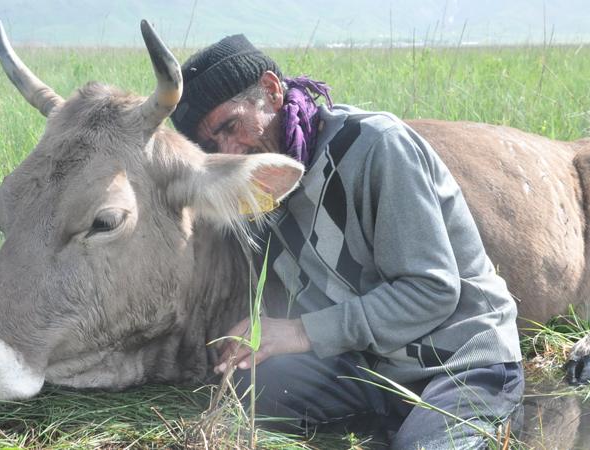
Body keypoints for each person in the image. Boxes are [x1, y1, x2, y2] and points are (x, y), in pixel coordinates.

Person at [170, 34, 524, 449]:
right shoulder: (258, 187)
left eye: (231, 126)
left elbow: (432, 292)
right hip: (370, 365)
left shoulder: (376, 146)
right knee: (246, 392)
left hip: (458, 358)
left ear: (271, 90)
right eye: (212, 145)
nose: (231, 151)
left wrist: (301, 331)